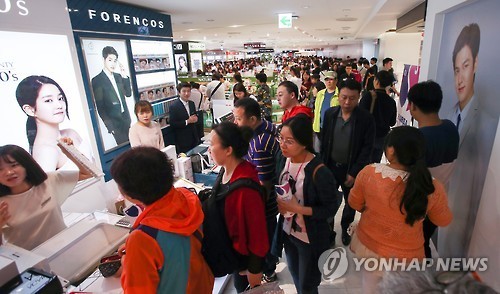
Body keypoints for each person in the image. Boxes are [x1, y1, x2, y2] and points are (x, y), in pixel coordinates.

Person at [348, 126, 453, 293]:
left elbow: (354, 202)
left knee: (369, 286)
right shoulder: (432, 186)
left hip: (370, 247)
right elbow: (443, 219)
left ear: (390, 150)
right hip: (408, 256)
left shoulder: (369, 173)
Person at [110, 147, 214, 293]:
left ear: (130, 196)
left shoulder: (142, 239)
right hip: (202, 285)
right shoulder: (187, 198)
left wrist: (127, 261)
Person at [441, 23, 497, 259]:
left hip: (465, 219)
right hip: (442, 208)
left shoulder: (487, 122)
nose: (460, 77)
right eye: (456, 69)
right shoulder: (449, 116)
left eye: (465, 66)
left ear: (475, 64)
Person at [272, 116, 337, 294]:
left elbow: (330, 208)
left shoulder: (319, 171)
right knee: (296, 276)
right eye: (281, 138)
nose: (283, 145)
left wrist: (297, 209)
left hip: (309, 237)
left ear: (303, 143)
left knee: (308, 284)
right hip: (288, 231)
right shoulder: (284, 158)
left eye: (289, 141)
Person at [208, 122, 269, 292]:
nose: (209, 149)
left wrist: (255, 269)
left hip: (244, 260)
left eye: (212, 144)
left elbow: (258, 234)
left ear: (228, 150)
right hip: (231, 253)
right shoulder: (226, 171)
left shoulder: (245, 189)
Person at [0, 143, 92, 250]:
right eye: (0, 169)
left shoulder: (48, 181)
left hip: (65, 248)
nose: (9, 172)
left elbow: (89, 173)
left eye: (14, 165)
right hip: (32, 262)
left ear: (26, 164)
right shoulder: (2, 203)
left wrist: (70, 152)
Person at [407, 80, 459, 259]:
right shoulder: (451, 128)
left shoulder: (417, 139)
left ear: (412, 106)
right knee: (424, 241)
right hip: (439, 201)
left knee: (412, 246)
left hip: (417, 206)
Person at [320, 79, 375, 246]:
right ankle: (328, 229)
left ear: (359, 97)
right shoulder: (330, 114)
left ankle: (345, 228)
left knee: (351, 202)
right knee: (327, 199)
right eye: (344, 97)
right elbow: (325, 141)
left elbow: (367, 149)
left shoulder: (366, 119)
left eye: (352, 98)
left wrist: (354, 172)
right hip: (330, 167)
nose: (347, 102)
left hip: (350, 169)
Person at [233, 98, 280, 283]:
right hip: (267, 203)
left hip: (264, 207)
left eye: (238, 119)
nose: (235, 123)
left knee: (264, 241)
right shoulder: (266, 126)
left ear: (252, 119)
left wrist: (255, 211)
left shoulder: (260, 143)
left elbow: (264, 184)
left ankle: (268, 271)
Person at [15, 75, 93, 171]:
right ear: (30, 110)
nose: (59, 105)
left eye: (60, 98)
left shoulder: (71, 133)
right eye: (48, 100)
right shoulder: (46, 151)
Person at [91, 46, 132, 145]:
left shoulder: (118, 76)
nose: (113, 64)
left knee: (133, 147)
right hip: (115, 123)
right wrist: (110, 127)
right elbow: (100, 107)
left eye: (115, 61)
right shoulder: (97, 80)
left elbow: (128, 94)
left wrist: (124, 76)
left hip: (126, 119)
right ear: (103, 60)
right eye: (110, 60)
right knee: (124, 152)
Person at [359, 70, 397, 163]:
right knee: (375, 164)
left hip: (367, 136)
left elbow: (359, 115)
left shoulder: (368, 96)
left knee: (363, 162)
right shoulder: (391, 101)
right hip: (382, 138)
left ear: (376, 81)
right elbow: (392, 122)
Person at [169, 82, 200, 154]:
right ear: (179, 92)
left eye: (188, 91)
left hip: (194, 137)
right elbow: (173, 124)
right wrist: (187, 121)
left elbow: (194, 115)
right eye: (184, 91)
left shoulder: (192, 103)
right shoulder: (174, 106)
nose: (186, 93)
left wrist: (196, 119)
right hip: (182, 140)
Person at [313, 71, 339, 139]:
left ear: (336, 81)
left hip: (333, 129)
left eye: (331, 79)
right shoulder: (320, 93)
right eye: (327, 80)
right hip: (320, 127)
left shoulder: (340, 95)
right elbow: (317, 110)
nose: (328, 82)